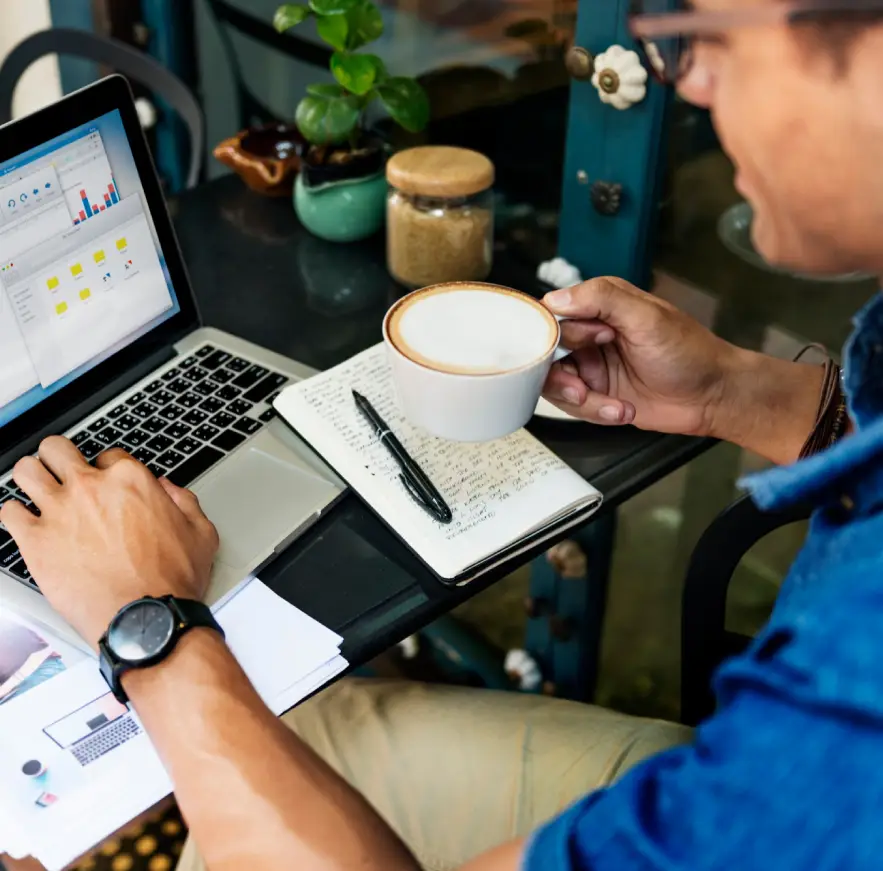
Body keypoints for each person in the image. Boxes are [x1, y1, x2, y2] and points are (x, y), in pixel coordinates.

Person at [4, 0, 883, 868]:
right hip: (727, 782)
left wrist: (147, 622)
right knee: (292, 723)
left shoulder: (850, 691)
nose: (690, 93)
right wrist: (736, 393)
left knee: (238, 763)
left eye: (700, 39)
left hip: (720, 801)